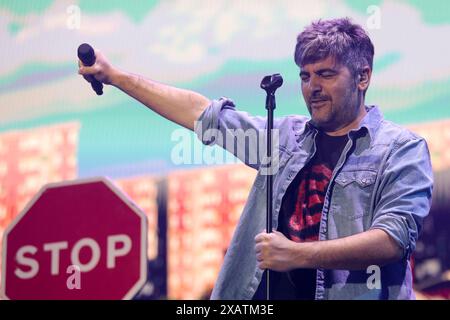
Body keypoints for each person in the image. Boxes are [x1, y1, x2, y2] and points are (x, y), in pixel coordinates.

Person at [78, 17, 433, 300]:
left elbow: (392, 239)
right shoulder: (283, 139)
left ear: (363, 77)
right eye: (305, 76)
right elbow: (203, 115)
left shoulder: (401, 148)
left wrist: (298, 254)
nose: (313, 86)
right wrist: (116, 77)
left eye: (326, 74)